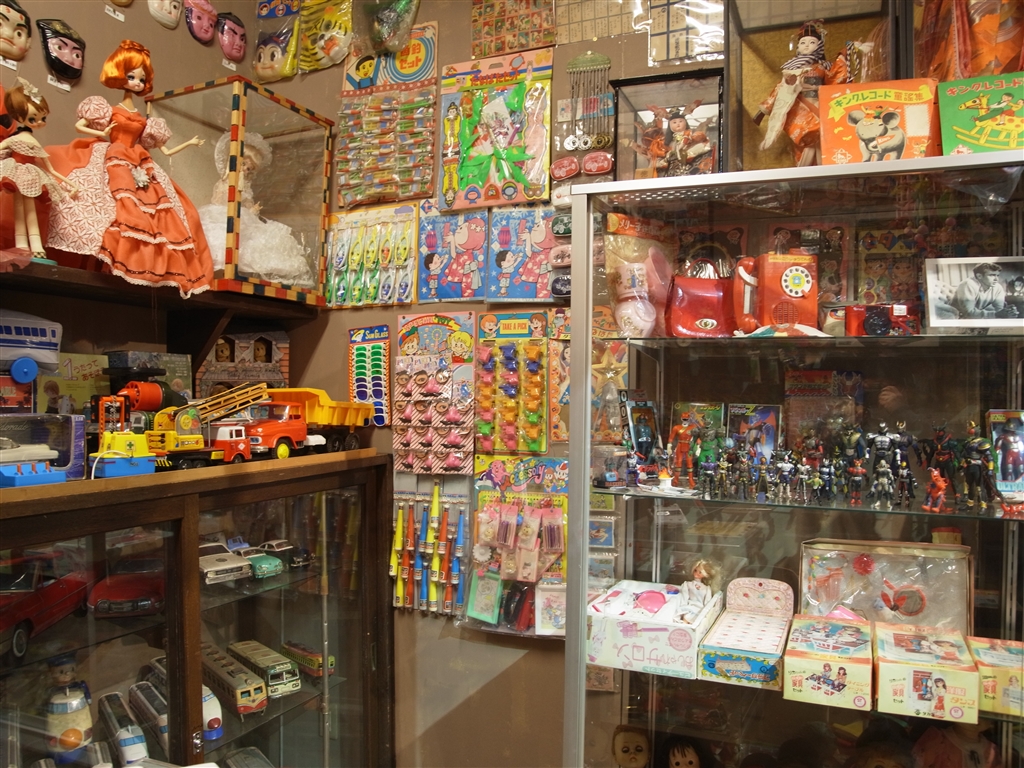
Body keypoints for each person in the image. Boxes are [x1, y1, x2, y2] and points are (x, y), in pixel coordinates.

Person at [46, 40, 213, 298]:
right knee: (108, 203)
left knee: (161, 212)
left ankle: (144, 263)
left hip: (139, 161)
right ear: (120, 75)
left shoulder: (146, 122)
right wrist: (103, 132)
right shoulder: (108, 110)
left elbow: (165, 151)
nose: (136, 82)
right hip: (113, 156)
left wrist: (189, 143)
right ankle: (106, 256)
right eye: (132, 76)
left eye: (141, 78)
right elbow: (80, 126)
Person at [198, 132, 312, 286]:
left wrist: (252, 209)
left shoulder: (245, 185)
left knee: (260, 238)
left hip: (242, 215)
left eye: (249, 168)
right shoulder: (226, 181)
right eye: (244, 164)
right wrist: (234, 198)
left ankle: (240, 275)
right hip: (223, 213)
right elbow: (219, 199)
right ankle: (221, 274)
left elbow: (247, 203)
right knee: (222, 240)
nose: (246, 169)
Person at [1, 79, 78, 259]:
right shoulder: (14, 140)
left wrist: (70, 184)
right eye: (33, 118)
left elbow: (50, 169)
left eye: (43, 118)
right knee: (20, 209)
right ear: (18, 116)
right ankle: (22, 245)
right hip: (16, 174)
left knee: (30, 210)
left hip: (32, 176)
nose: (39, 122)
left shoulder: (34, 143)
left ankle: (36, 246)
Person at [952, 262, 1017, 319]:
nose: (996, 279)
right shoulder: (968, 284)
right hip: (956, 317)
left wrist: (1008, 312)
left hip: (976, 318)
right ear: (979, 276)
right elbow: (968, 313)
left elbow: (999, 310)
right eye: (992, 275)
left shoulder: (997, 287)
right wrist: (996, 314)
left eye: (997, 275)